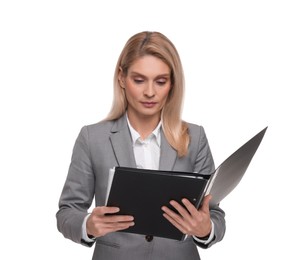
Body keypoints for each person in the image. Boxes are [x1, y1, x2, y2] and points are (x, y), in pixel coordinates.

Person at [56, 31, 226, 260]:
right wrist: (88, 225)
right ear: (121, 78)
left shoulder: (194, 136)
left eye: (160, 81)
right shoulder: (92, 138)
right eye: (138, 80)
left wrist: (205, 229)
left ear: (172, 83)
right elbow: (67, 212)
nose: (149, 92)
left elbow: (214, 214)